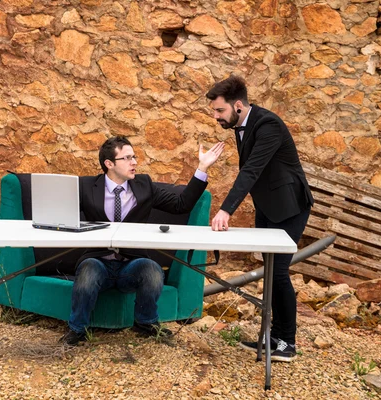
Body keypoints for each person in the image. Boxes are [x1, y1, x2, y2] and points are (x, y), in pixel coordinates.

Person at [60, 135, 224, 345]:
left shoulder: (144, 185)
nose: (134, 162)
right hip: (98, 260)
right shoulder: (86, 186)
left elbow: (180, 204)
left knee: (152, 270)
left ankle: (145, 322)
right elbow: (62, 214)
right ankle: (77, 329)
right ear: (109, 164)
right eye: (127, 158)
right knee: (88, 272)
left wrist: (202, 168)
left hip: (132, 263)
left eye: (134, 156)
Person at [206, 75, 314, 362]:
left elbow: (251, 170)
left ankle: (287, 343)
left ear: (238, 105)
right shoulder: (241, 125)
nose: (216, 117)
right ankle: (273, 338)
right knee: (270, 271)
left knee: (278, 272)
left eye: (220, 111)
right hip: (267, 205)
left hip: (290, 206)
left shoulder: (268, 125)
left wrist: (226, 210)